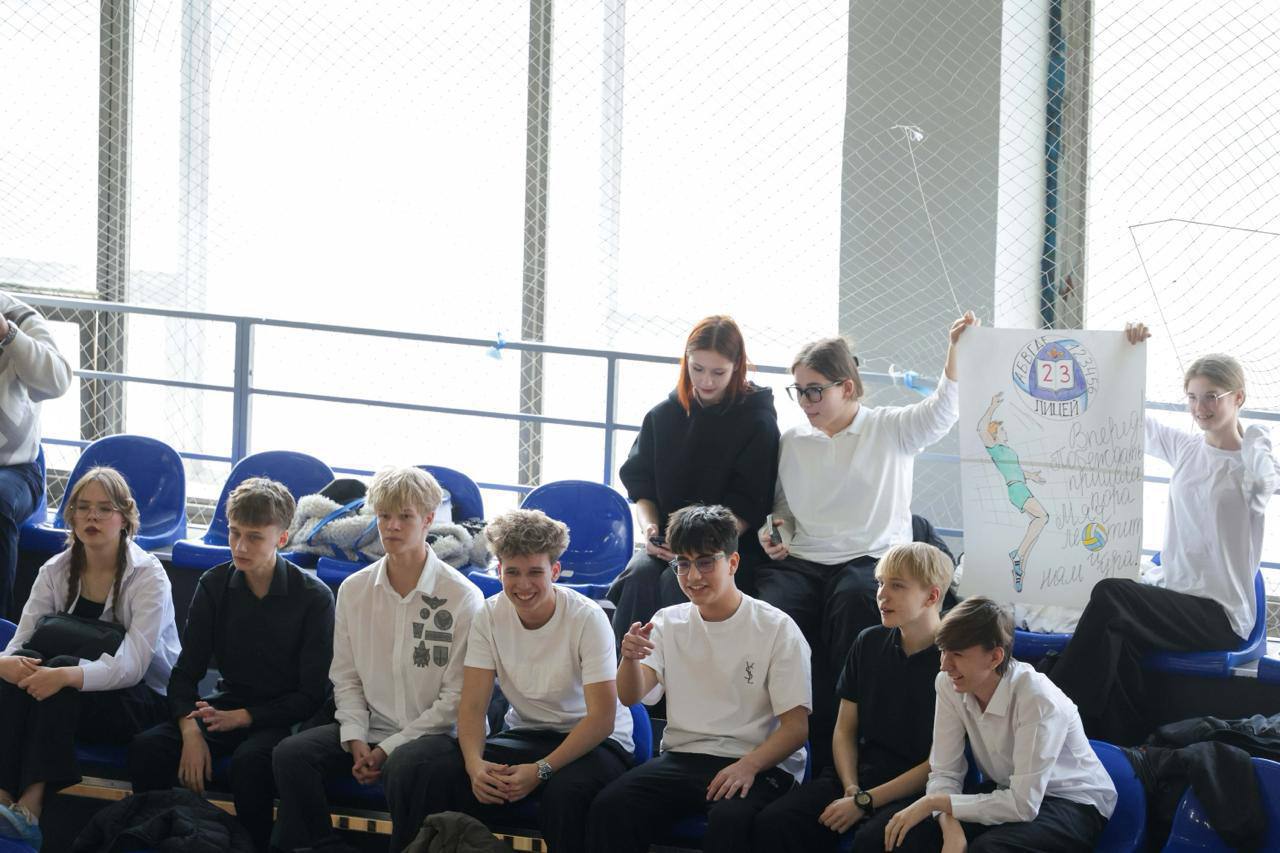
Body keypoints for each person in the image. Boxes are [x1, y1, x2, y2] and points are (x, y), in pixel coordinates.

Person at [756, 313, 976, 762]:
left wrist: (956, 349)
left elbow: (942, 411)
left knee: (857, 599)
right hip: (805, 558)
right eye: (798, 390)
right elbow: (783, 509)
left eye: (814, 390)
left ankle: (842, 741)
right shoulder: (794, 440)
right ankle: (776, 733)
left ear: (847, 388)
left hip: (871, 557)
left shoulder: (889, 428)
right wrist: (776, 531)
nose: (805, 401)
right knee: (771, 607)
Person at [1049, 323, 1279, 745]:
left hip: (1220, 614)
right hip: (1177, 596)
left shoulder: (1252, 463)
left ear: (1239, 398)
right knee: (1118, 645)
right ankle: (1120, 745)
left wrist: (1258, 437)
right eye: (1192, 397)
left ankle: (1051, 710)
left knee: (1111, 595)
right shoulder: (1186, 448)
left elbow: (1266, 481)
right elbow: (1126, 414)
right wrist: (1125, 353)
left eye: (1212, 396)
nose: (1200, 407)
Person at [271, 466, 483, 853]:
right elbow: (346, 678)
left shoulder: (462, 596)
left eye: (405, 516)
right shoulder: (354, 589)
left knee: (405, 766)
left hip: (437, 738)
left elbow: (457, 700)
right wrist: (354, 737)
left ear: (429, 520)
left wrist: (388, 749)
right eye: (384, 516)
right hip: (371, 729)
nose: (392, 526)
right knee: (291, 754)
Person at [586, 504, 811, 853]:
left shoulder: (776, 627)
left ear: (732, 563)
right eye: (683, 564)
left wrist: (748, 766)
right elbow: (631, 697)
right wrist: (628, 659)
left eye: (705, 563)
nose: (692, 576)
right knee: (611, 808)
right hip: (684, 756)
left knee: (730, 821)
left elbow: (796, 729)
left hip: (759, 761)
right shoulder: (667, 621)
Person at [129, 478, 335, 853]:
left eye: (254, 537)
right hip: (227, 705)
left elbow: (310, 696)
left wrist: (245, 717)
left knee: (250, 763)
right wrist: (190, 731)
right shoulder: (214, 584)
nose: (240, 546)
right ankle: (162, 839)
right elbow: (185, 675)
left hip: (282, 716)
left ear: (282, 539)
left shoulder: (314, 598)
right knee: (149, 747)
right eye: (235, 533)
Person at [416, 508, 633, 853]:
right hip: (528, 733)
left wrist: (540, 770)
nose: (523, 585)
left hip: (598, 742)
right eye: (513, 572)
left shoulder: (587, 618)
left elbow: (602, 720)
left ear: (555, 572)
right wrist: (475, 766)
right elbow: (472, 706)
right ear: (499, 571)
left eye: (535, 572)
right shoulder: (488, 615)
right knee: (442, 774)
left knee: (564, 796)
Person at [0, 467, 180, 848]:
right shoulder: (55, 569)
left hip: (140, 702)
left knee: (57, 671)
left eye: (104, 509)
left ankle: (31, 808)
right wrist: (7, 665)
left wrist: (66, 676)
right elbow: (20, 642)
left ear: (124, 517)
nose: (92, 517)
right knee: (25, 664)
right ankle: (2, 800)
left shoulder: (148, 576)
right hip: (65, 696)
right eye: (83, 508)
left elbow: (133, 667)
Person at [753, 542, 952, 853]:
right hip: (856, 777)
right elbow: (844, 730)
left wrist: (866, 801)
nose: (882, 595)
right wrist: (852, 789)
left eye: (897, 586)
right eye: (880, 583)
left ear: (932, 596)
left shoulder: (953, 660)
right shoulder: (868, 641)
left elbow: (938, 763)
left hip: (916, 790)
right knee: (776, 822)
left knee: (875, 841)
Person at [882, 597, 1115, 852]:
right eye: (943, 651)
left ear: (995, 657)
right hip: (1009, 789)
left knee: (988, 849)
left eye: (957, 654)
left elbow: (1023, 805)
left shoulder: (1037, 699)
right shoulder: (948, 683)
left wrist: (933, 803)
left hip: (1073, 801)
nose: (944, 665)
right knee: (903, 835)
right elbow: (945, 772)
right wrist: (951, 828)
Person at [608, 315, 780, 646]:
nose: (706, 381)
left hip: (725, 546)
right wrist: (651, 531)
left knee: (681, 583)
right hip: (667, 542)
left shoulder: (757, 422)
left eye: (718, 372)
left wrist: (694, 550)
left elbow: (750, 505)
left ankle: (679, 673)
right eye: (697, 369)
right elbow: (641, 485)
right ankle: (627, 671)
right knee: (638, 577)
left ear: (737, 366)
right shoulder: (663, 415)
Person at [0, 290, 73, 621]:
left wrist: (8, 335)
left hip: (15, 469)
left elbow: (57, 380)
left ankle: (2, 630)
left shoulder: (20, 316)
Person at [977, 392, 1049, 593]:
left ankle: (1019, 569)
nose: (1005, 431)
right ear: (995, 435)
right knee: (1042, 517)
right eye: (1002, 429)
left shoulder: (1007, 451)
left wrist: (1031, 475)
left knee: (1036, 523)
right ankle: (1018, 554)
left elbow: (1015, 470)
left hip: (1020, 486)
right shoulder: (996, 449)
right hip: (1017, 490)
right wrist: (992, 407)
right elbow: (981, 429)